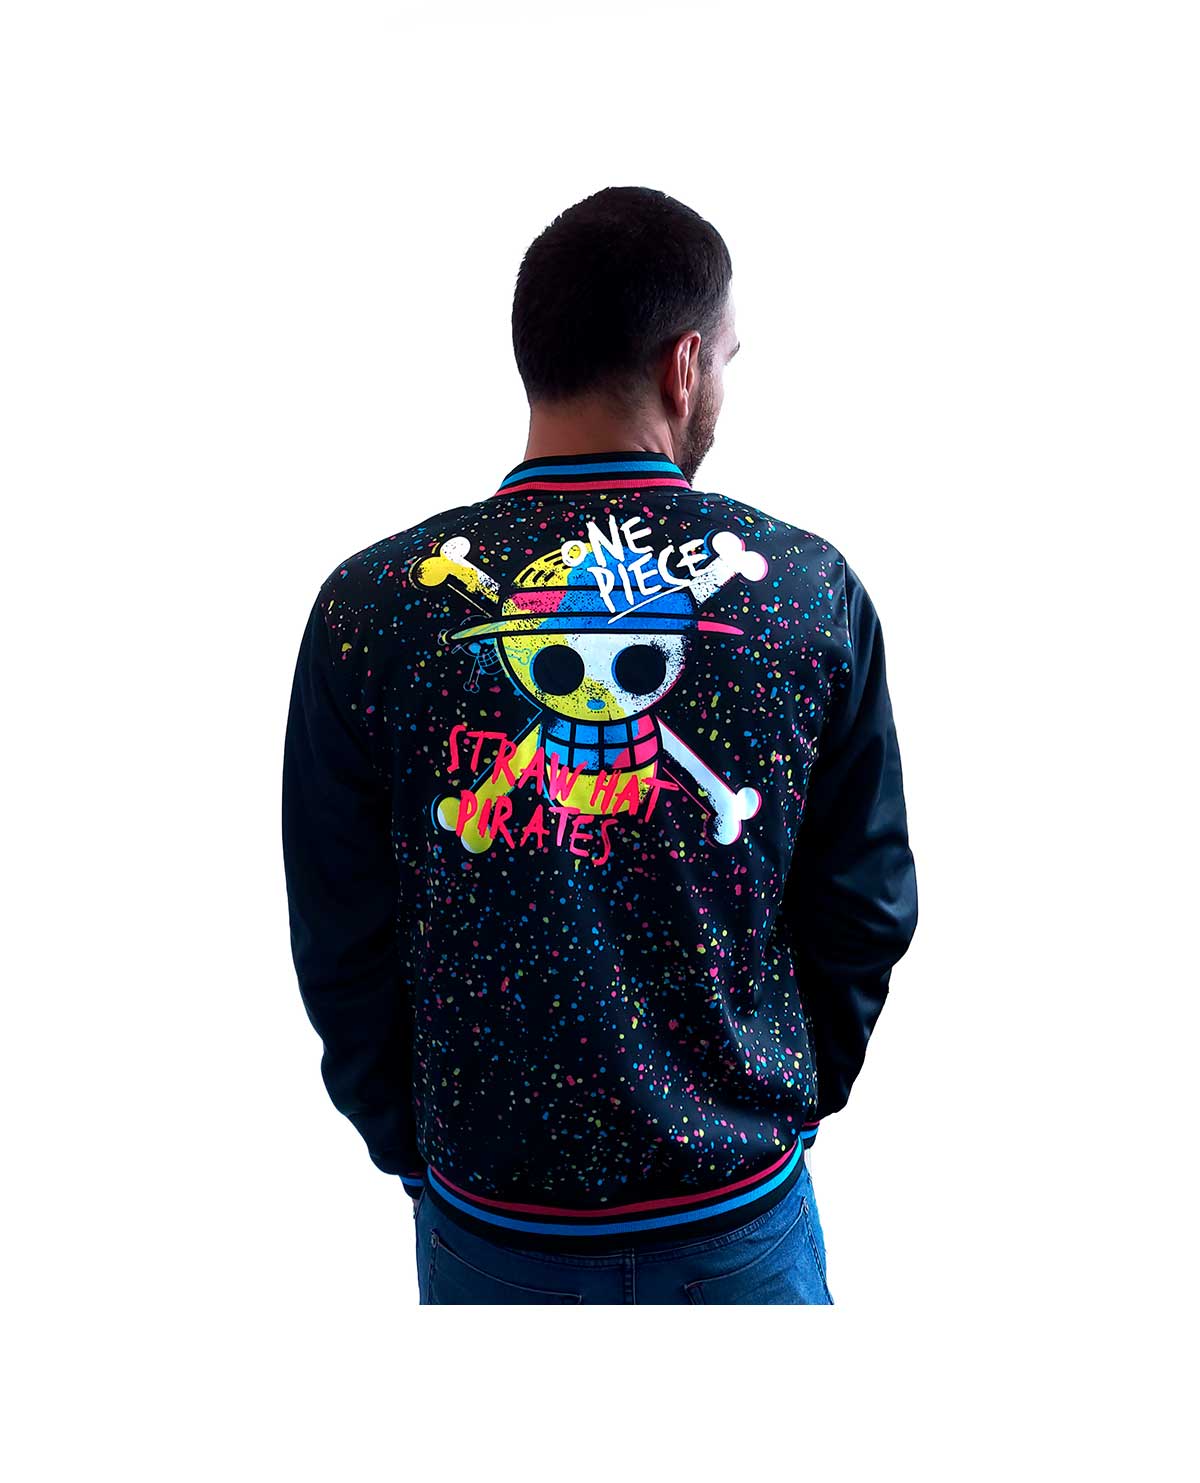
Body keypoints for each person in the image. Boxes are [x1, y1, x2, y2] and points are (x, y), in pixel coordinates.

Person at [282, 186, 918, 1305]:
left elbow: (339, 931)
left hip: (493, 1225)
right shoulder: (808, 592)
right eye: (728, 359)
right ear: (686, 367)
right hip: (735, 1215)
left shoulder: (368, 608)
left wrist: (424, 1150)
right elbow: (866, 902)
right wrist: (777, 1101)